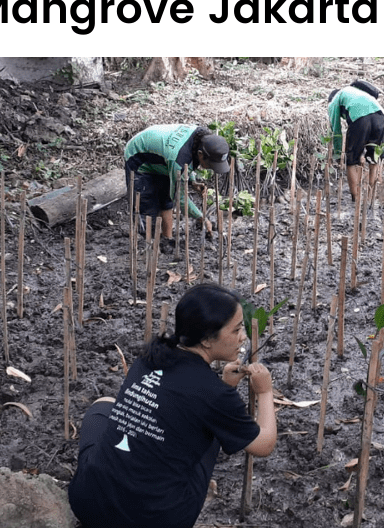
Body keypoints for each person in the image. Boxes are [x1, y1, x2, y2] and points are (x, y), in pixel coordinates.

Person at [68, 283, 277, 528]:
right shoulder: (214, 394)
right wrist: (265, 391)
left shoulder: (150, 357)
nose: (243, 337)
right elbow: (263, 445)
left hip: (88, 503)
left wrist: (225, 385)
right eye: (237, 330)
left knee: (103, 406)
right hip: (154, 520)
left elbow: (176, 400)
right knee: (211, 435)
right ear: (208, 340)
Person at [124, 124, 231, 252]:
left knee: (166, 198)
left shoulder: (200, 139)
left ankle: (167, 239)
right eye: (211, 165)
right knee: (147, 206)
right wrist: (201, 217)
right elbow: (179, 198)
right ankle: (148, 247)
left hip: (163, 157)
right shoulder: (178, 160)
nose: (213, 168)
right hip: (138, 157)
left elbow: (187, 165)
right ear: (201, 154)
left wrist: (192, 182)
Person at [327, 80, 384, 202]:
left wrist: (339, 154)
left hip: (361, 118)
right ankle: (371, 197)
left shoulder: (333, 101)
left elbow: (336, 130)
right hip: (380, 116)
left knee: (351, 160)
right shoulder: (356, 93)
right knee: (373, 158)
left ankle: (356, 198)